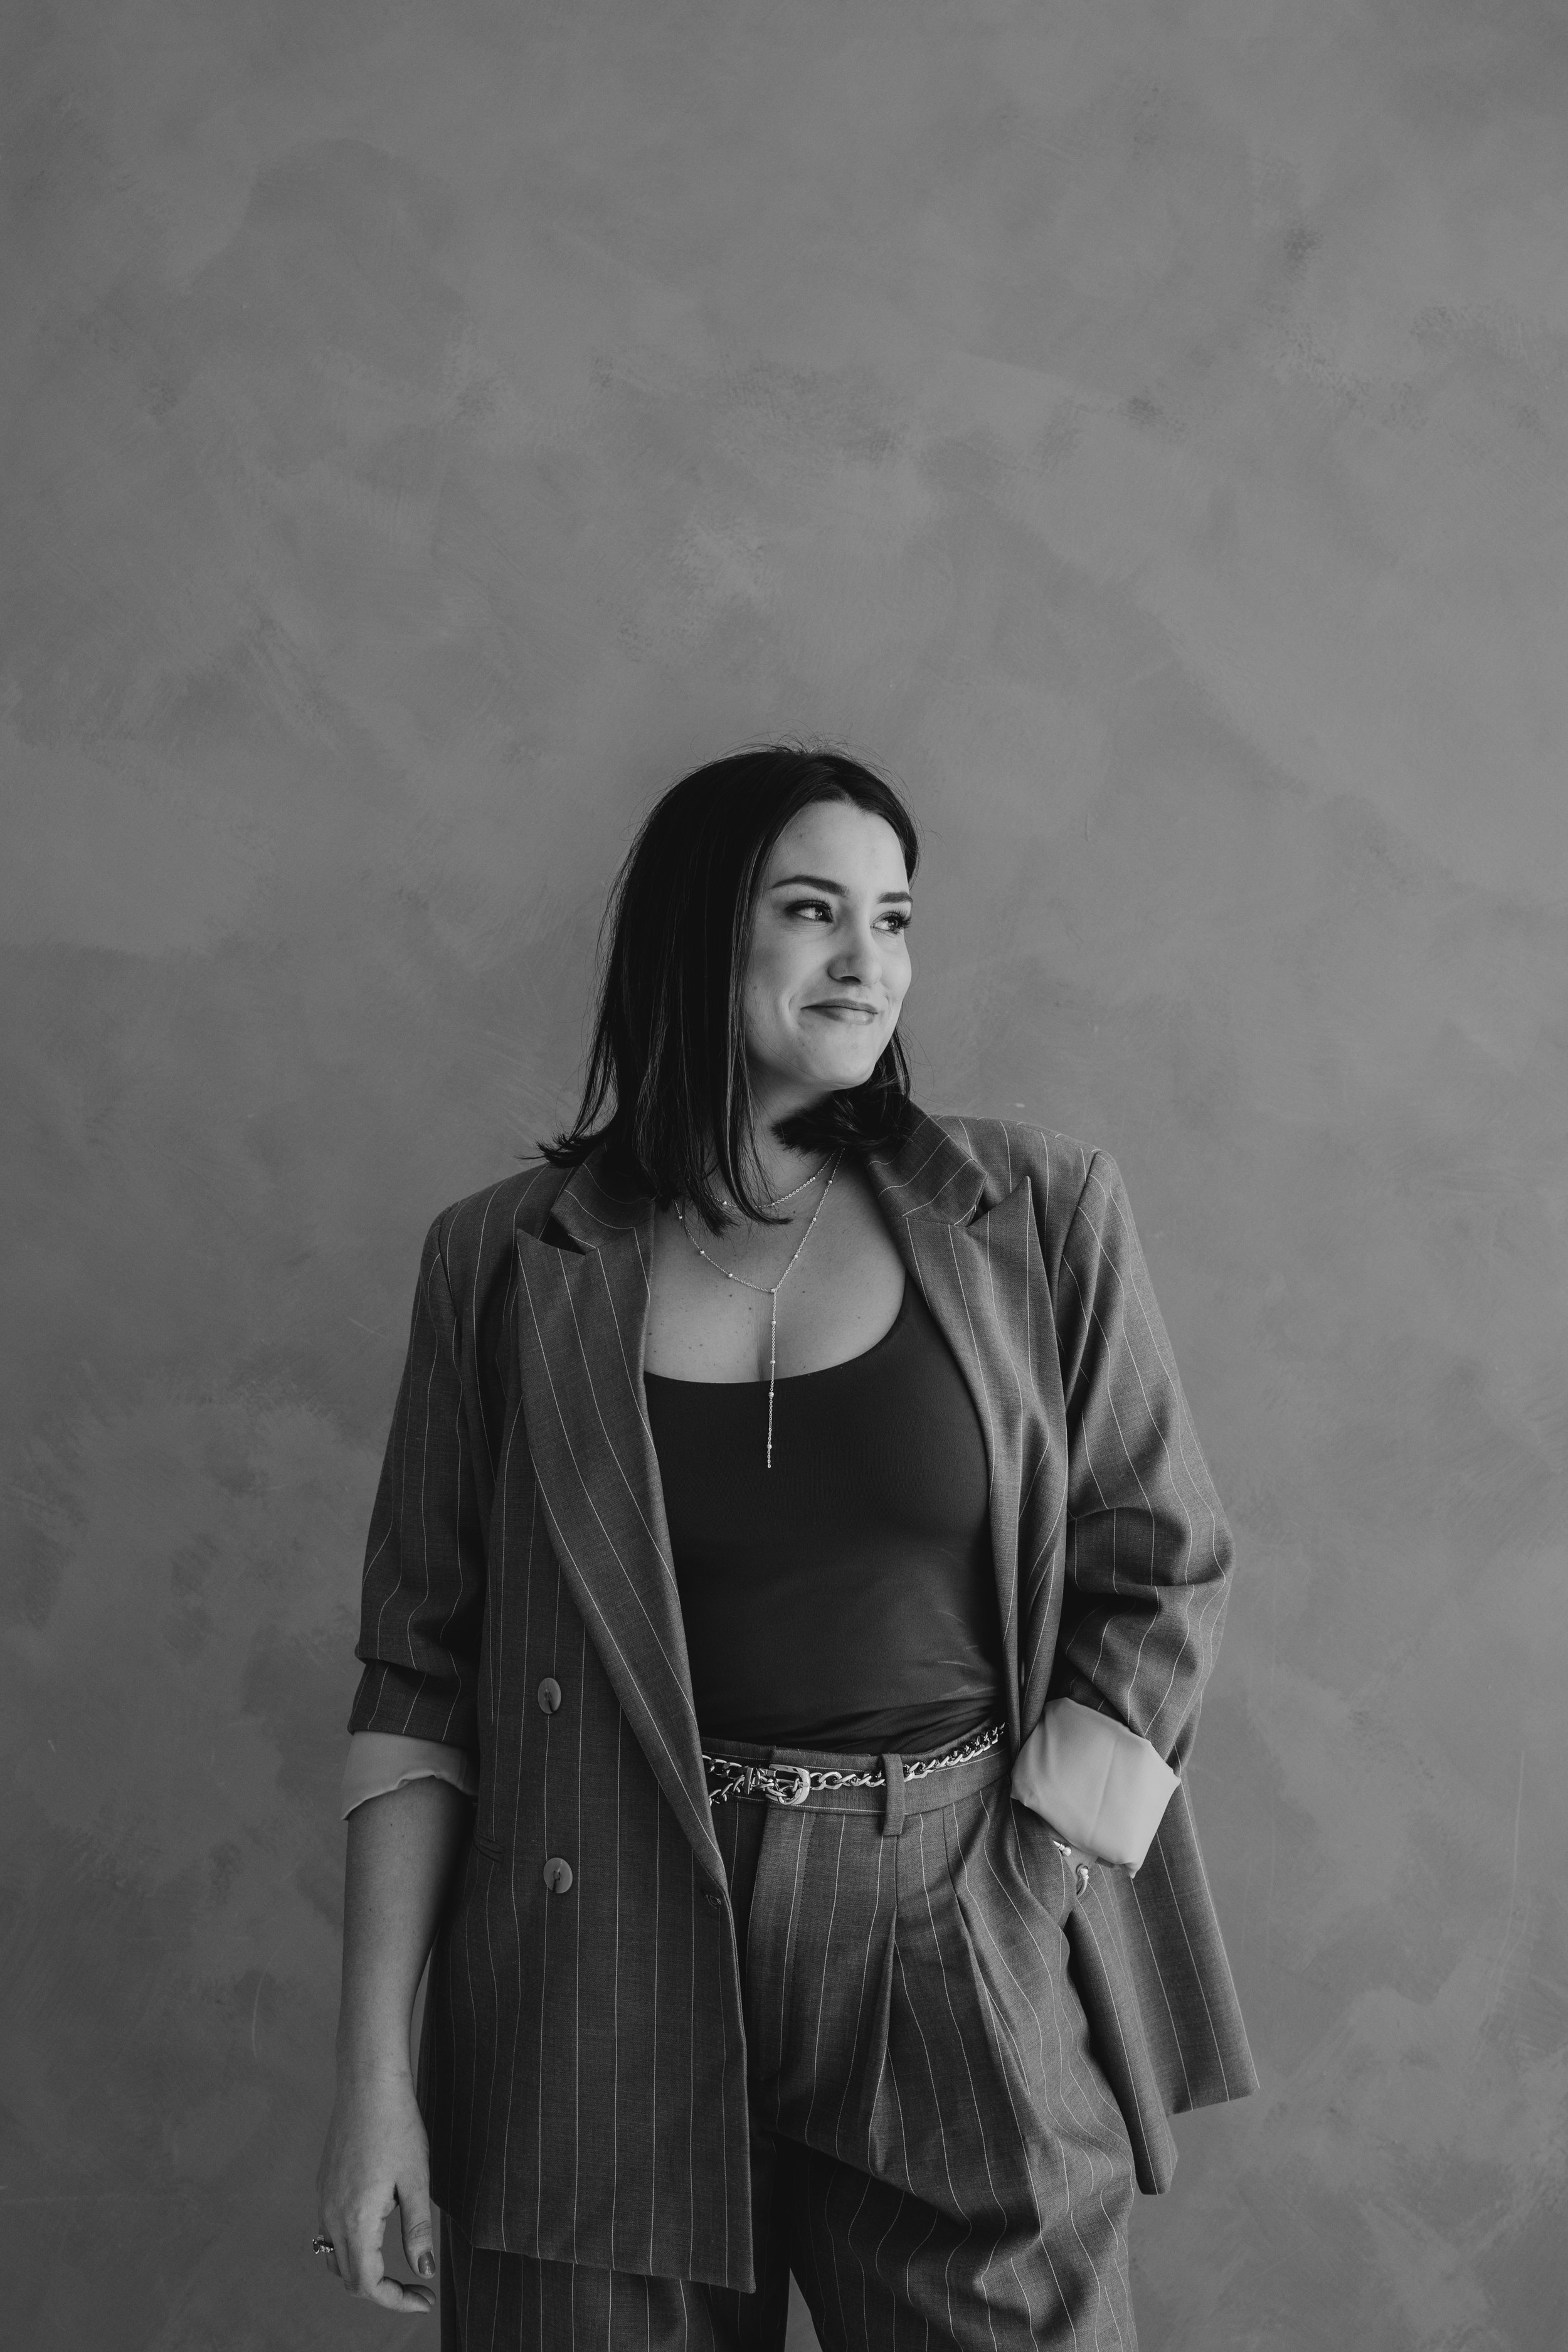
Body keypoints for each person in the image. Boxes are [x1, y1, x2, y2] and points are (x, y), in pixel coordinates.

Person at [314, 744, 1256, 2349]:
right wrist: (374, 2089)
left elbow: (1157, 1566)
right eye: (812, 910)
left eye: (892, 919)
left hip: (946, 1915)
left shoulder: (1032, 1213)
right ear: (698, 934)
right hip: (589, 1944)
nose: (865, 961)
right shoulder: (499, 1263)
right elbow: (418, 1680)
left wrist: (1029, 1871)